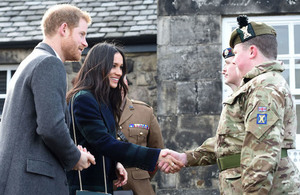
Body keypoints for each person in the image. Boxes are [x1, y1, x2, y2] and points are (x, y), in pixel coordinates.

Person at [161, 15, 300, 194]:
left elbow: (261, 155)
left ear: (251, 52)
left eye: (236, 53)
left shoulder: (265, 87)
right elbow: (233, 142)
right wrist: (186, 158)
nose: (233, 60)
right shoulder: (256, 85)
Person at [0, 4, 96, 195]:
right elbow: (51, 127)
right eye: (82, 34)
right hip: (33, 185)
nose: (85, 43)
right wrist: (75, 156)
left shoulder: (29, 61)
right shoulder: (50, 63)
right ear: (64, 29)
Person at [66, 42, 184, 194]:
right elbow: (104, 142)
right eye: (113, 66)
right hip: (85, 188)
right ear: (98, 66)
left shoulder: (102, 100)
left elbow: (99, 145)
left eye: (121, 67)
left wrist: (115, 164)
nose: (119, 72)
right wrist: (156, 156)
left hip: (101, 188)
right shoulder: (84, 99)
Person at [113, 76, 164, 195]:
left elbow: (157, 152)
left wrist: (140, 175)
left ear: (127, 84)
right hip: (107, 184)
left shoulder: (145, 111)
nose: (119, 87)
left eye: (123, 80)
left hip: (139, 187)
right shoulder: (96, 111)